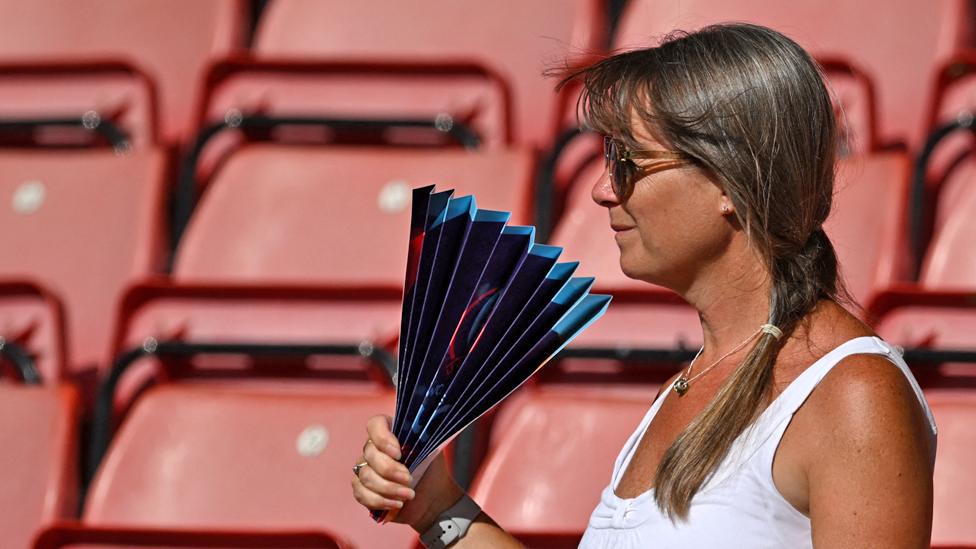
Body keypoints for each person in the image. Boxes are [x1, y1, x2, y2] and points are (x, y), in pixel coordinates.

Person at [350, 23, 937, 548]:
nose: (604, 189)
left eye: (630, 162)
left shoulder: (854, 394)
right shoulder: (694, 381)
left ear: (732, 184)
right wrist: (438, 511)